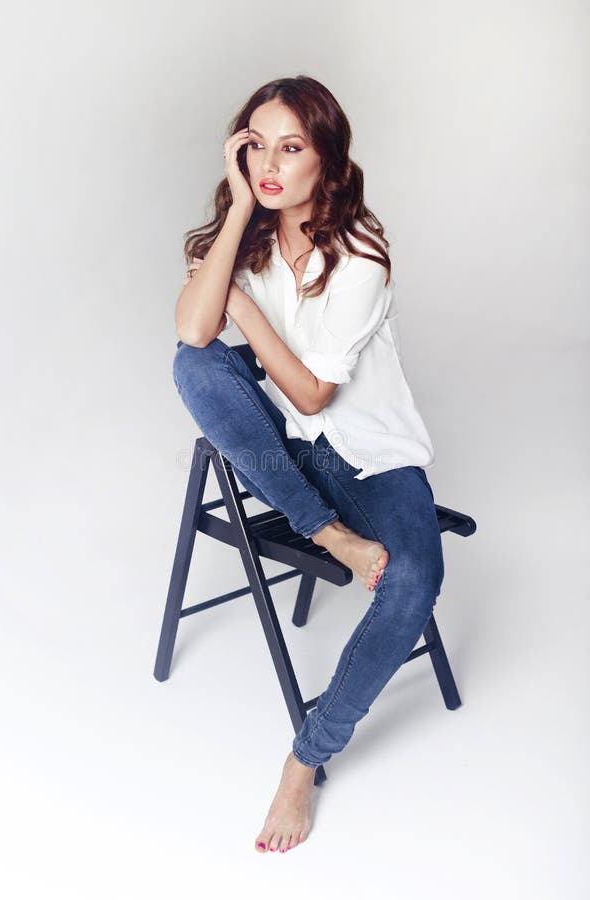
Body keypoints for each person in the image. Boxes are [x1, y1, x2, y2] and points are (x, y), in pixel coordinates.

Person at [172, 75, 444, 855]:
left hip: (370, 461)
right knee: (192, 368)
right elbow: (195, 334)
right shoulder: (250, 233)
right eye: (256, 145)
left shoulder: (361, 255)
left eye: (291, 147)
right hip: (288, 456)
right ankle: (329, 536)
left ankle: (306, 757)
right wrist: (235, 211)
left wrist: (244, 306)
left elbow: (317, 395)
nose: (271, 162)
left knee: (416, 584)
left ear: (327, 159)